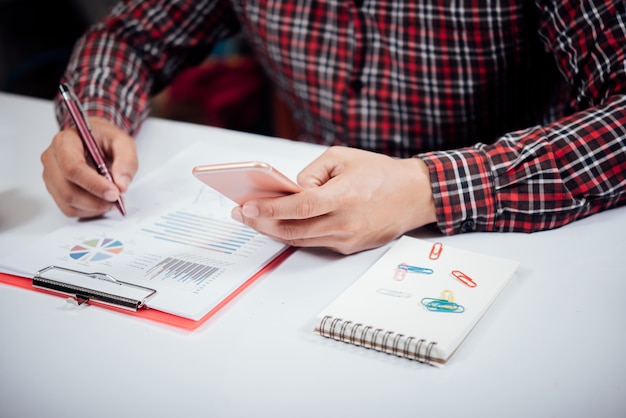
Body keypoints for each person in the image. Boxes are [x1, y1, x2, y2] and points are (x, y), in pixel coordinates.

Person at [41, 0, 626, 255]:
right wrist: (95, 115)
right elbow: (131, 36)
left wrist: (427, 188)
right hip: (303, 248)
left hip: (505, 234)